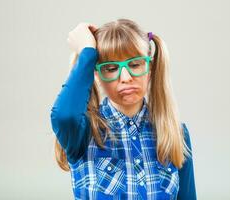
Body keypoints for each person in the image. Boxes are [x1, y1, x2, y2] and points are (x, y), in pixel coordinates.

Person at [50, 18, 197, 200]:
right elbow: (64, 116)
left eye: (135, 64)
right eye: (111, 68)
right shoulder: (85, 132)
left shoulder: (175, 132)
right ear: (96, 75)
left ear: (149, 68)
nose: (126, 77)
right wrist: (87, 52)